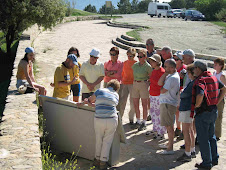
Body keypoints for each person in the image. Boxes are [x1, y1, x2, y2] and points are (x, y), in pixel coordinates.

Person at [77, 79, 120, 170]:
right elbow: (110, 105)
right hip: (112, 119)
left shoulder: (99, 91)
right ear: (116, 88)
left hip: (99, 119)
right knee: (107, 141)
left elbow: (91, 101)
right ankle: (103, 163)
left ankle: (96, 160)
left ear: (108, 85)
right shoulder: (116, 95)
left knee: (99, 139)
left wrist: (84, 103)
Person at [192, 61, 226, 169]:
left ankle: (206, 162)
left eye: (194, 68)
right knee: (211, 136)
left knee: (203, 138)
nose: (193, 70)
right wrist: (216, 101)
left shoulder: (200, 81)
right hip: (213, 111)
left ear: (198, 69)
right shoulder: (213, 78)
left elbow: (200, 95)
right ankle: (214, 158)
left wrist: (196, 106)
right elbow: (224, 89)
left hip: (203, 112)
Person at [158, 59, 180, 155]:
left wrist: (162, 87)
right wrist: (164, 75)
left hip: (168, 103)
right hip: (167, 103)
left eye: (166, 66)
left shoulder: (172, 78)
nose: (164, 68)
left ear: (171, 67)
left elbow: (162, 90)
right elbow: (159, 84)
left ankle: (170, 148)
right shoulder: (170, 76)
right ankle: (169, 144)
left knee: (169, 126)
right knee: (168, 125)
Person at [176, 64, 196, 162]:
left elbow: (183, 95)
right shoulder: (195, 82)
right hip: (191, 109)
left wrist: (181, 92)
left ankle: (187, 153)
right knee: (191, 130)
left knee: (186, 131)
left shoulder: (192, 84)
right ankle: (192, 150)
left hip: (187, 109)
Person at [146, 54, 166, 140]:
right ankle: (155, 129)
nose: (150, 62)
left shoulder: (162, 72)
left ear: (157, 62)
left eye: (152, 61)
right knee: (153, 113)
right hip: (153, 95)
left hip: (159, 96)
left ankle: (161, 132)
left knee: (159, 114)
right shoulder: (154, 70)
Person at [132, 49, 153, 131]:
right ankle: (138, 120)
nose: (139, 58)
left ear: (145, 57)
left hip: (143, 84)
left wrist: (147, 83)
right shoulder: (135, 65)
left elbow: (151, 76)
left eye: (141, 56)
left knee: (144, 104)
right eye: (138, 56)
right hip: (135, 84)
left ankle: (144, 122)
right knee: (135, 103)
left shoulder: (148, 67)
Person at [119, 48, 137, 124]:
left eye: (131, 56)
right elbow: (122, 73)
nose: (129, 57)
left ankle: (131, 119)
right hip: (124, 83)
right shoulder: (124, 63)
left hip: (133, 84)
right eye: (128, 55)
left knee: (133, 103)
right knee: (122, 102)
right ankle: (120, 118)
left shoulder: (136, 64)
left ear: (134, 55)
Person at [173, 51, 187, 140]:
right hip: (175, 92)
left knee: (182, 111)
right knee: (177, 111)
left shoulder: (184, 69)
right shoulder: (174, 68)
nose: (174, 60)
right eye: (174, 59)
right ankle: (178, 127)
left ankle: (183, 131)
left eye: (176, 59)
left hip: (182, 93)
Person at [213, 58, 226, 141]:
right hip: (214, 96)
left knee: (218, 116)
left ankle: (217, 134)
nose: (214, 66)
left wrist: (220, 99)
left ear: (220, 66)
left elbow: (224, 89)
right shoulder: (214, 73)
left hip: (219, 97)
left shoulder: (222, 75)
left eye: (216, 64)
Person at [146, 38, 156, 121]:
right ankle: (150, 113)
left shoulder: (155, 55)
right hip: (146, 79)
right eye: (146, 44)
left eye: (149, 45)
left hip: (153, 79)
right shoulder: (145, 54)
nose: (147, 46)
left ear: (153, 45)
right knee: (147, 98)